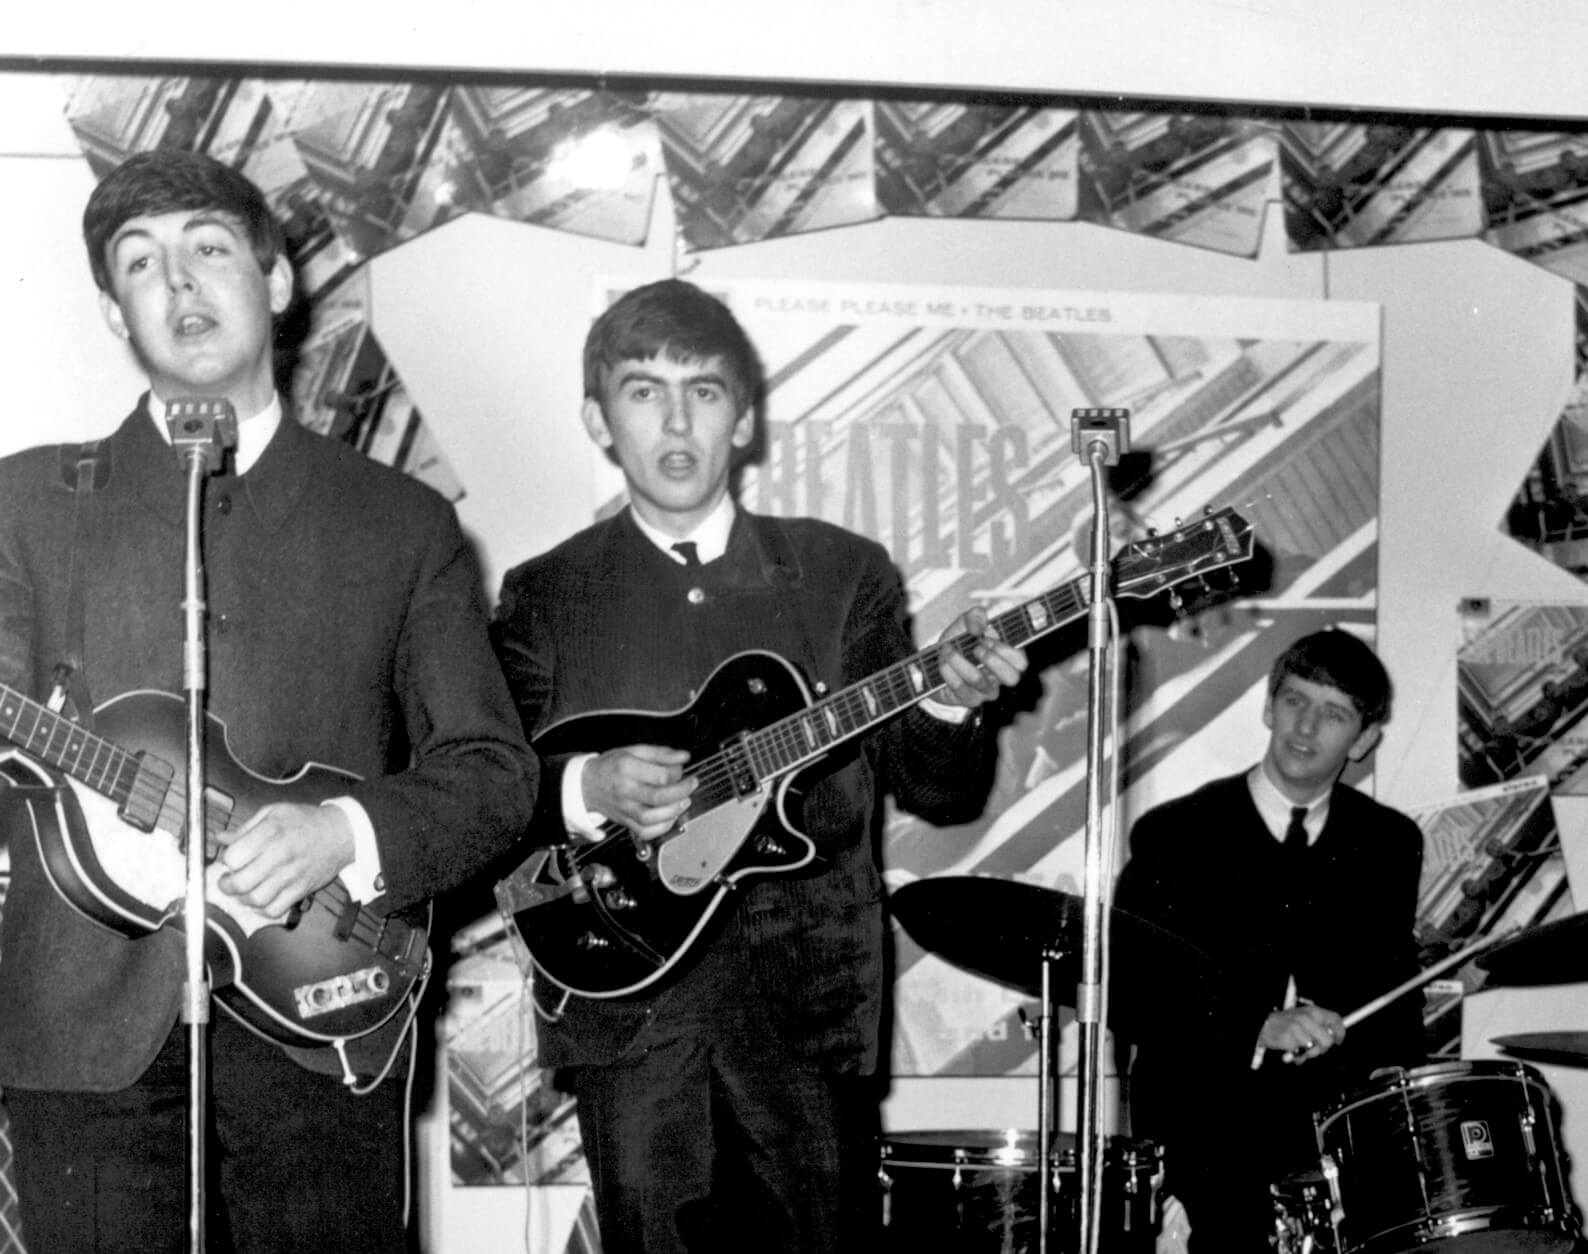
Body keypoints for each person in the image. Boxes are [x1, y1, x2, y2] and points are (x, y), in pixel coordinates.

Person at [0, 149, 536, 1253]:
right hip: (81, 1032)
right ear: (114, 311)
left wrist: (341, 833)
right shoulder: (23, 504)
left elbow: (491, 773)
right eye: (141, 265)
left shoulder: (401, 524)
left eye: (208, 247)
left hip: (318, 1018)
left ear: (279, 280)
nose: (180, 286)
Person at [492, 278, 1028, 1253]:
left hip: (807, 1012)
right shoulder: (544, 594)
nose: (676, 418)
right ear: (596, 419)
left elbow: (940, 792)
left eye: (703, 390)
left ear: (743, 417)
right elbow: (481, 790)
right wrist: (586, 786)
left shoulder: (842, 574)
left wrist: (950, 696)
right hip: (627, 1000)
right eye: (642, 390)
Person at [1113, 627, 1425, 1252]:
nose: (1305, 728)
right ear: (1267, 706)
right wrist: (1256, 1026)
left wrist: (1398, 1067)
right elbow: (1129, 995)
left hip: (1331, 1152)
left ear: (1364, 740)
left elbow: (1393, 998)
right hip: (1201, 1143)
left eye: (1333, 715)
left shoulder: (1389, 843)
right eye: (1294, 702)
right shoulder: (1176, 835)